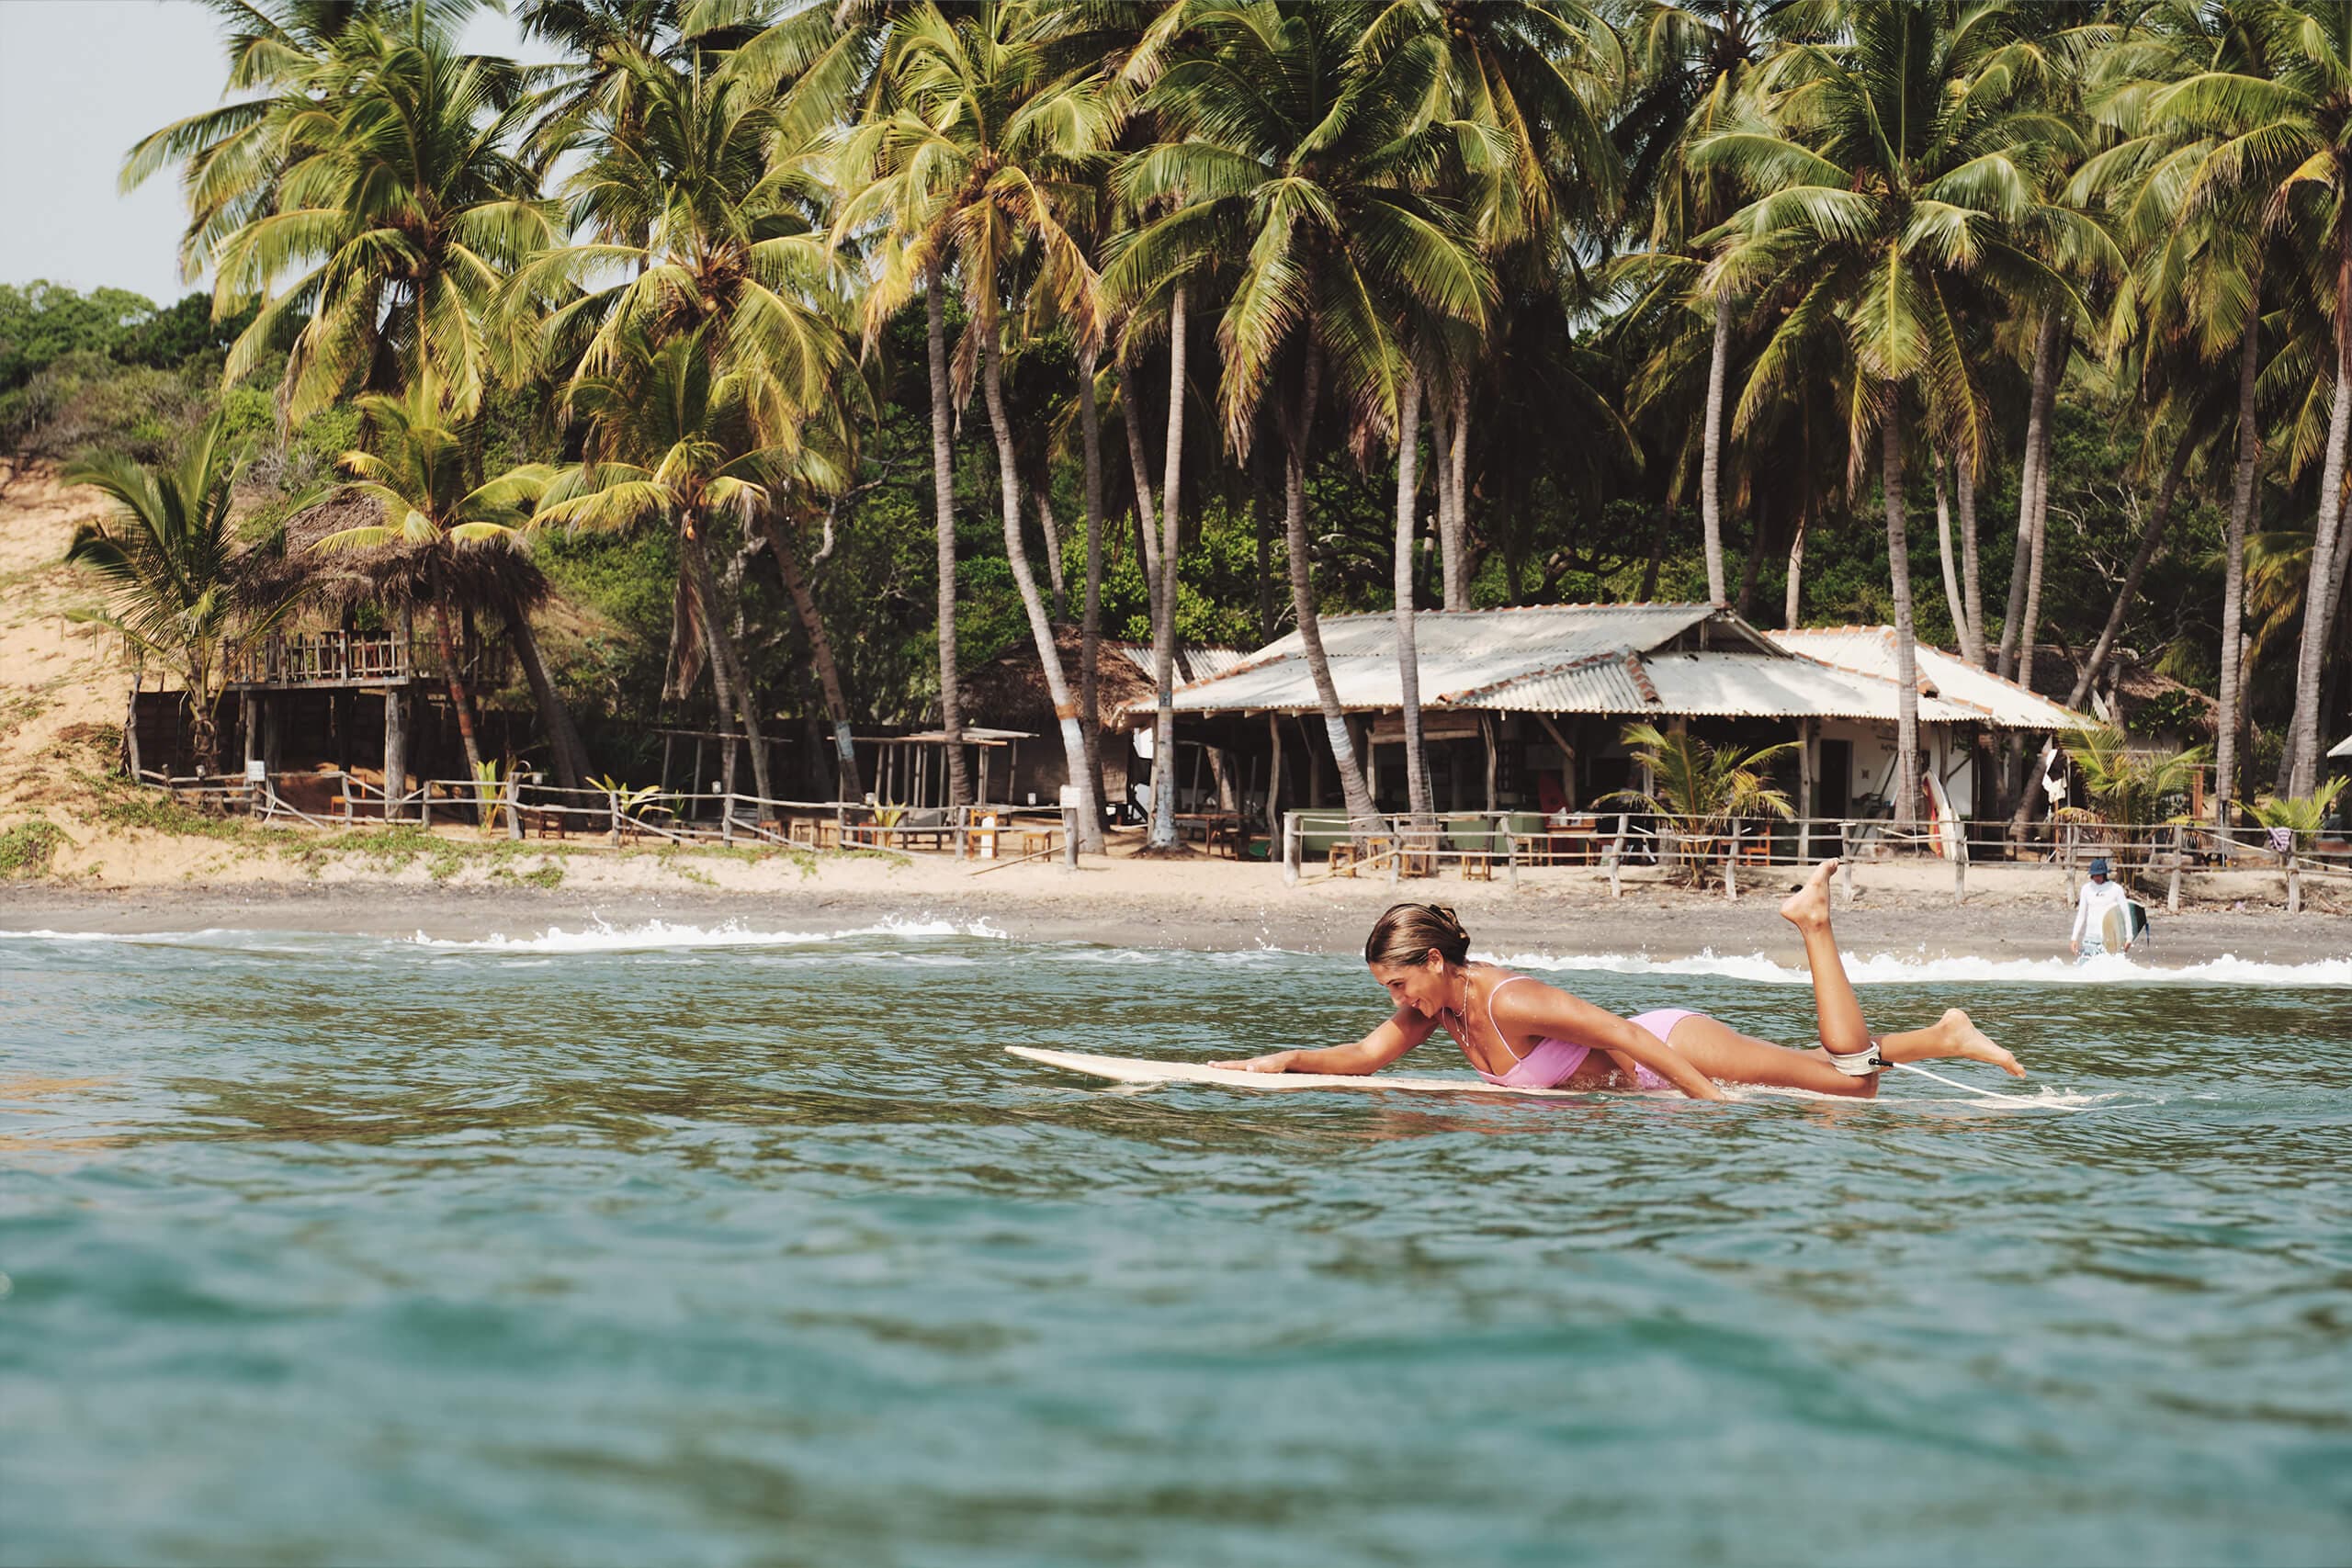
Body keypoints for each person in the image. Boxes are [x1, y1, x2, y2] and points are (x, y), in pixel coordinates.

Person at [1215, 859, 2021, 1100]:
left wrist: (1711, 1104)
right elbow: (1362, 1058)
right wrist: (1276, 1063)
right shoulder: (1441, 1015)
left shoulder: (1509, 998)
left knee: (1850, 1089)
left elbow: (1628, 1037)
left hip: (1670, 1044)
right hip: (1651, 1078)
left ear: (1434, 961)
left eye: (1397, 985)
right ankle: (1943, 1035)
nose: (1396, 1005)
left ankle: (1814, 920)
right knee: (1838, 1075)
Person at [2070, 856, 2133, 962]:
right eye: (2094, 875)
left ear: (2104, 874)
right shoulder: (2086, 889)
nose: (2096, 878)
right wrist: (2074, 938)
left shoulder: (2116, 889)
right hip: (2090, 938)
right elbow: (2081, 915)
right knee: (2085, 970)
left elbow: (2125, 913)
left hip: (2109, 938)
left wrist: (2129, 937)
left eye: (2099, 875)